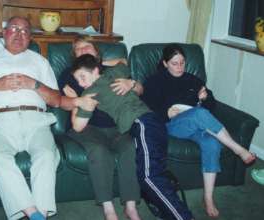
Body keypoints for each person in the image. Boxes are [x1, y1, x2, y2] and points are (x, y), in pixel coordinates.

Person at [0, 16, 97, 220]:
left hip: (36, 120)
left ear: (30, 38)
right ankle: (35, 214)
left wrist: (33, 84)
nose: (19, 34)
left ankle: (39, 214)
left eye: (25, 31)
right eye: (14, 29)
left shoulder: (40, 61)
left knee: (46, 155)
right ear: (4, 33)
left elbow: (55, 100)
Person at [69, 54, 195, 220]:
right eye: (78, 80)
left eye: (82, 77)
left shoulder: (90, 92)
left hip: (142, 122)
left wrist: (77, 100)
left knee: (150, 178)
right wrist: (124, 78)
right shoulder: (114, 74)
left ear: (95, 71)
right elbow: (123, 62)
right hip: (154, 122)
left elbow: (78, 126)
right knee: (154, 175)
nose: (81, 83)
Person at [141, 43, 256, 218]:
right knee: (199, 114)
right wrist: (166, 112)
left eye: (182, 62)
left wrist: (205, 98)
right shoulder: (154, 81)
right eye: (174, 63)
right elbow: (145, 108)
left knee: (211, 142)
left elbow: (212, 106)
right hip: (170, 125)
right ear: (165, 63)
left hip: (194, 123)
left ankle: (208, 198)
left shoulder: (192, 79)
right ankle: (237, 148)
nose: (179, 67)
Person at [60, 36, 141, 220]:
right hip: (86, 126)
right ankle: (108, 208)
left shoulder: (112, 71)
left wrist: (132, 84)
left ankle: (131, 206)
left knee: (130, 147)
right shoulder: (69, 73)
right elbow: (62, 101)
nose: (82, 51)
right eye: (78, 50)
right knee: (98, 150)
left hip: (116, 126)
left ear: (97, 52)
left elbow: (127, 68)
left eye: (86, 47)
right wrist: (76, 101)